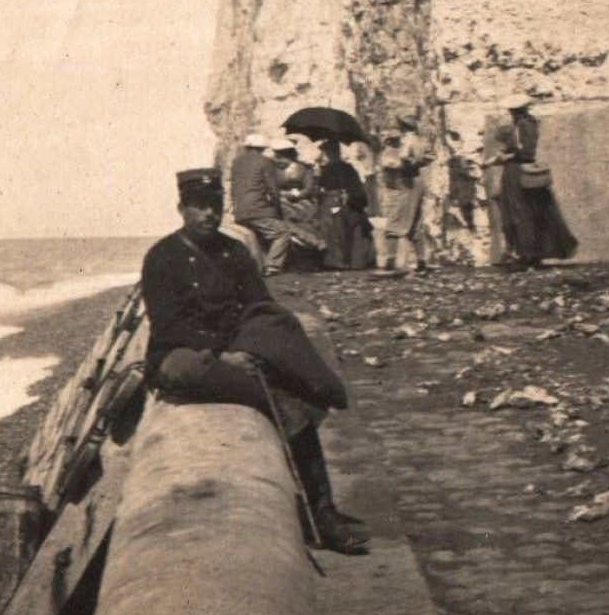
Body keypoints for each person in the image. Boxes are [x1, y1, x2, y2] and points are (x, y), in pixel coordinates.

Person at [140, 168, 371, 553]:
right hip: (184, 355)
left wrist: (251, 348)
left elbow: (257, 306)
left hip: (236, 347)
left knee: (291, 380)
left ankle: (323, 510)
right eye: (198, 207)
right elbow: (169, 327)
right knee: (260, 393)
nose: (208, 215)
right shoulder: (163, 257)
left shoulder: (233, 252)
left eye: (214, 207)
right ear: (182, 209)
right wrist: (224, 355)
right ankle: (319, 515)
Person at [483, 93, 578, 269]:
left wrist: (501, 158)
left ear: (516, 110)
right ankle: (531, 255)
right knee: (530, 212)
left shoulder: (523, 124)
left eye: (512, 110)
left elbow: (526, 152)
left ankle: (527, 255)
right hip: (519, 171)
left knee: (520, 213)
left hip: (517, 172)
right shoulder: (529, 122)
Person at [379, 115, 435, 273]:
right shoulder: (420, 140)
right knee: (416, 220)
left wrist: (395, 163)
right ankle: (421, 261)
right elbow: (430, 156)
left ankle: (390, 260)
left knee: (395, 219)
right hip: (417, 179)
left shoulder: (407, 140)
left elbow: (403, 157)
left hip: (405, 180)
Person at [230, 132, 291, 276]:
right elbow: (273, 189)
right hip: (258, 209)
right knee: (283, 233)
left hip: (240, 210)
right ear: (263, 148)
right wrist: (278, 211)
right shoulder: (266, 162)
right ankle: (273, 266)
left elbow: (234, 188)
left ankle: (260, 266)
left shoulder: (236, 162)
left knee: (257, 236)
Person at [316, 137, 375, 271]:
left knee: (333, 231)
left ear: (330, 153)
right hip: (349, 204)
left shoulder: (327, 169)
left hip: (335, 203)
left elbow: (321, 189)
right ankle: (349, 261)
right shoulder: (347, 167)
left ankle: (337, 262)